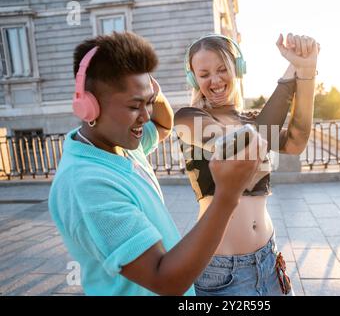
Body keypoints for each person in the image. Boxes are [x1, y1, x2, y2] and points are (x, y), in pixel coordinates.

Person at [48, 31, 263, 296]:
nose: (145, 116)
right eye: (134, 106)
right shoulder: (85, 184)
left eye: (148, 102)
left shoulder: (120, 142)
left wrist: (150, 90)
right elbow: (165, 281)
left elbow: (163, 124)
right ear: (89, 107)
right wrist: (227, 195)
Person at [174, 33, 319, 296]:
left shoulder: (252, 119)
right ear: (193, 78)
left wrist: (306, 71)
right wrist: (291, 73)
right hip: (222, 272)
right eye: (204, 74)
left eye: (222, 69)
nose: (215, 80)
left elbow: (296, 140)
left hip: (268, 257)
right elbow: (246, 145)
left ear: (237, 70)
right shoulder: (188, 119)